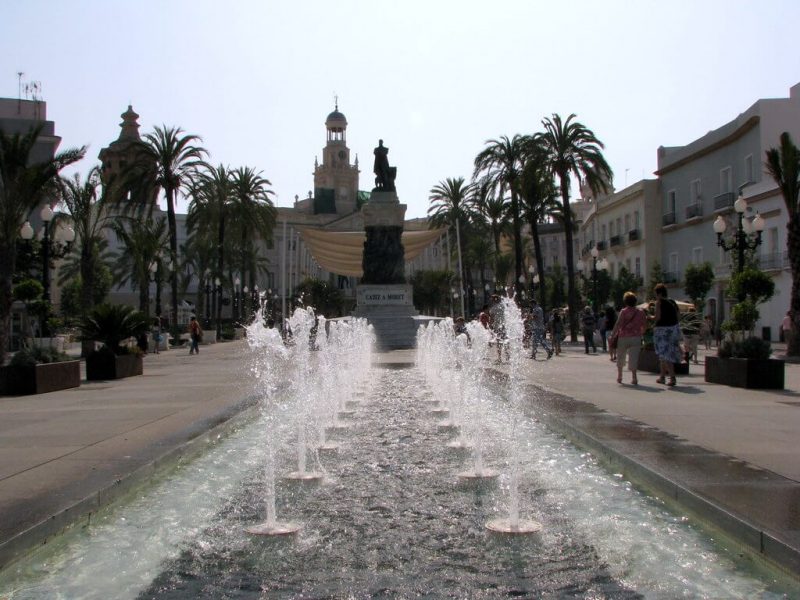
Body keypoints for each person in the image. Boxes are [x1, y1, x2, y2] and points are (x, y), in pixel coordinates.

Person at [609, 292, 647, 385]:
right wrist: (642, 332)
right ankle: (634, 377)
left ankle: (620, 376)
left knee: (621, 356)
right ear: (635, 301)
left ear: (625, 301)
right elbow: (645, 325)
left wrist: (613, 335)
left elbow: (618, 324)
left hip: (623, 337)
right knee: (634, 357)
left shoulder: (624, 311)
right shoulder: (641, 312)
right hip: (636, 337)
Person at [653, 283, 682, 386]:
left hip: (662, 331)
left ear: (659, 294)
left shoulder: (659, 302)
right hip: (673, 329)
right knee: (664, 355)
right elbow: (678, 316)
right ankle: (662, 377)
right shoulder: (672, 302)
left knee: (665, 354)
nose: (656, 296)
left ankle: (672, 377)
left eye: (656, 294)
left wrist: (650, 317)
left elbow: (657, 317)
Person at [488, 294, 507, 361]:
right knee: (505, 340)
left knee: (499, 341)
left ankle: (499, 357)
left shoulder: (493, 308)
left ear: (493, 300)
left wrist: (490, 326)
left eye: (491, 299)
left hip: (497, 326)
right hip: (504, 326)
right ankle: (507, 355)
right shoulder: (503, 306)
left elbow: (492, 318)